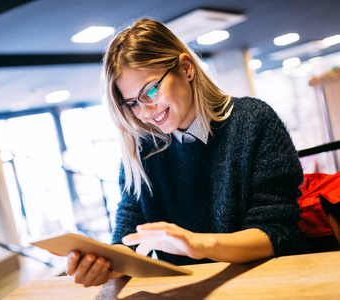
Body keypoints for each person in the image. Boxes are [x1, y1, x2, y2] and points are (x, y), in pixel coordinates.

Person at [66, 18, 309, 287]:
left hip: (264, 284)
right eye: (133, 103)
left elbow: (277, 232)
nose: (146, 112)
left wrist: (198, 243)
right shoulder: (142, 150)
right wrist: (106, 264)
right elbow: (128, 241)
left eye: (151, 90)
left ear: (186, 68)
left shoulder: (253, 121)